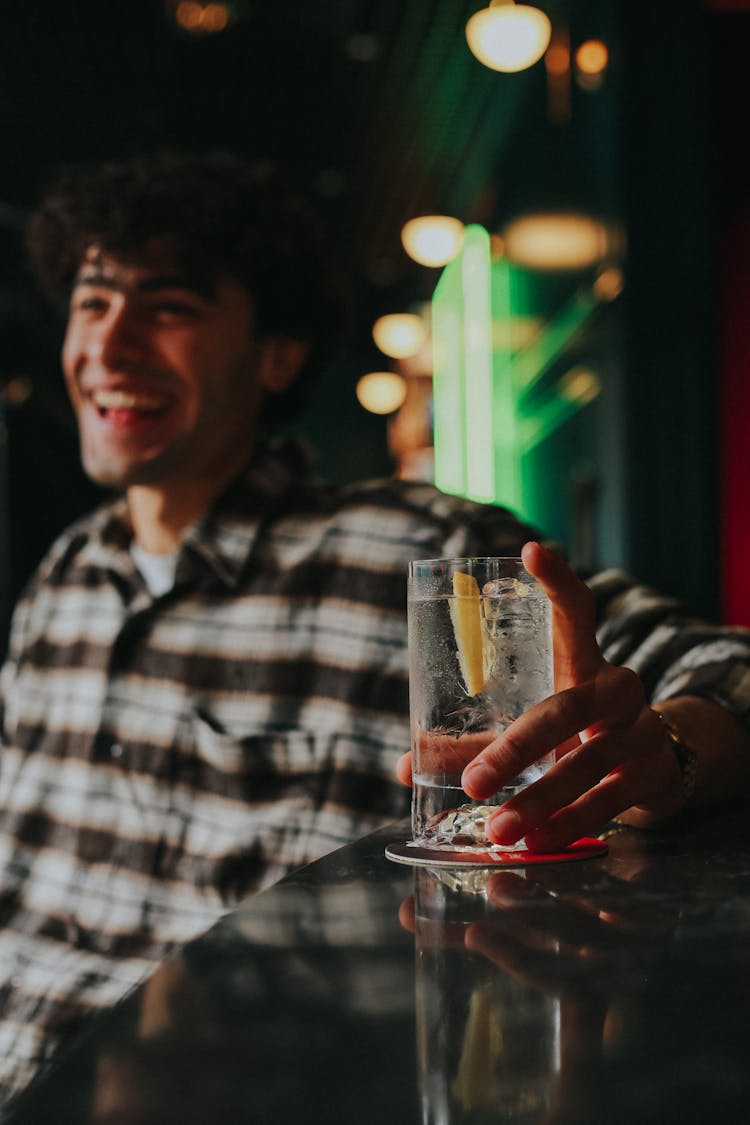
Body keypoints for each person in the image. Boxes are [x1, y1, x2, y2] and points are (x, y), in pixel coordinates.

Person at [0, 148, 748, 1106]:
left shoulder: (415, 550)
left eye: (171, 306)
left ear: (281, 352)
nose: (109, 345)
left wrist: (668, 751)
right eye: (93, 301)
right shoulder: (64, 575)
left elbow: (726, 666)